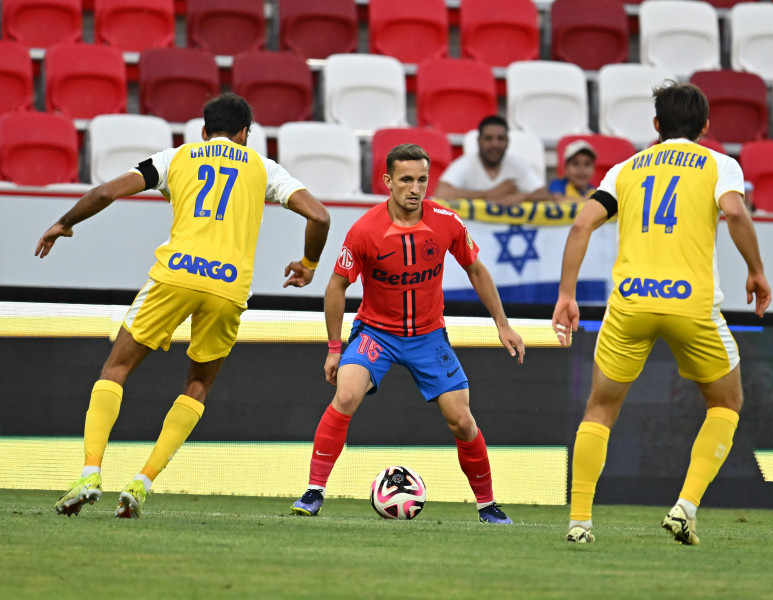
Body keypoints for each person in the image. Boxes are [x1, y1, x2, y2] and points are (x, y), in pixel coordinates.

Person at [36, 92, 330, 518]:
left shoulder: (177, 158)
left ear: (204, 131)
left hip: (174, 277)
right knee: (197, 386)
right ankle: (142, 482)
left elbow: (106, 191)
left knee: (115, 368)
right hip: (228, 289)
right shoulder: (264, 168)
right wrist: (307, 264)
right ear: (246, 134)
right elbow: (319, 216)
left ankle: (90, 472)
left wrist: (65, 222)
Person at [551, 81, 771, 545]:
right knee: (726, 403)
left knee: (600, 408)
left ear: (656, 126)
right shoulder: (719, 164)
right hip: (690, 305)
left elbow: (580, 224)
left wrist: (566, 294)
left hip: (630, 302)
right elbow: (736, 213)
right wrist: (756, 271)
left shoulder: (626, 168)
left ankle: (579, 522)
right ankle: (685, 507)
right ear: (706, 127)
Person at [291, 143, 526, 523]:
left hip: (429, 337)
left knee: (463, 421)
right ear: (387, 182)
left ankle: (488, 506)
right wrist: (335, 348)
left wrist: (503, 324)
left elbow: (477, 270)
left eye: (421, 179)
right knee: (346, 394)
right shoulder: (365, 230)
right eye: (406, 180)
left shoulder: (447, 222)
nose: (415, 188)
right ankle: (313, 492)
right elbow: (336, 287)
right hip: (376, 334)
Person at [434, 115, 551, 205]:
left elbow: (544, 193)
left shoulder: (518, 165)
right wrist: (488, 194)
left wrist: (523, 197)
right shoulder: (465, 163)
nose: (495, 144)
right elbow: (441, 193)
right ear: (479, 141)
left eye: (500, 139)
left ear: (507, 142)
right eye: (488, 139)